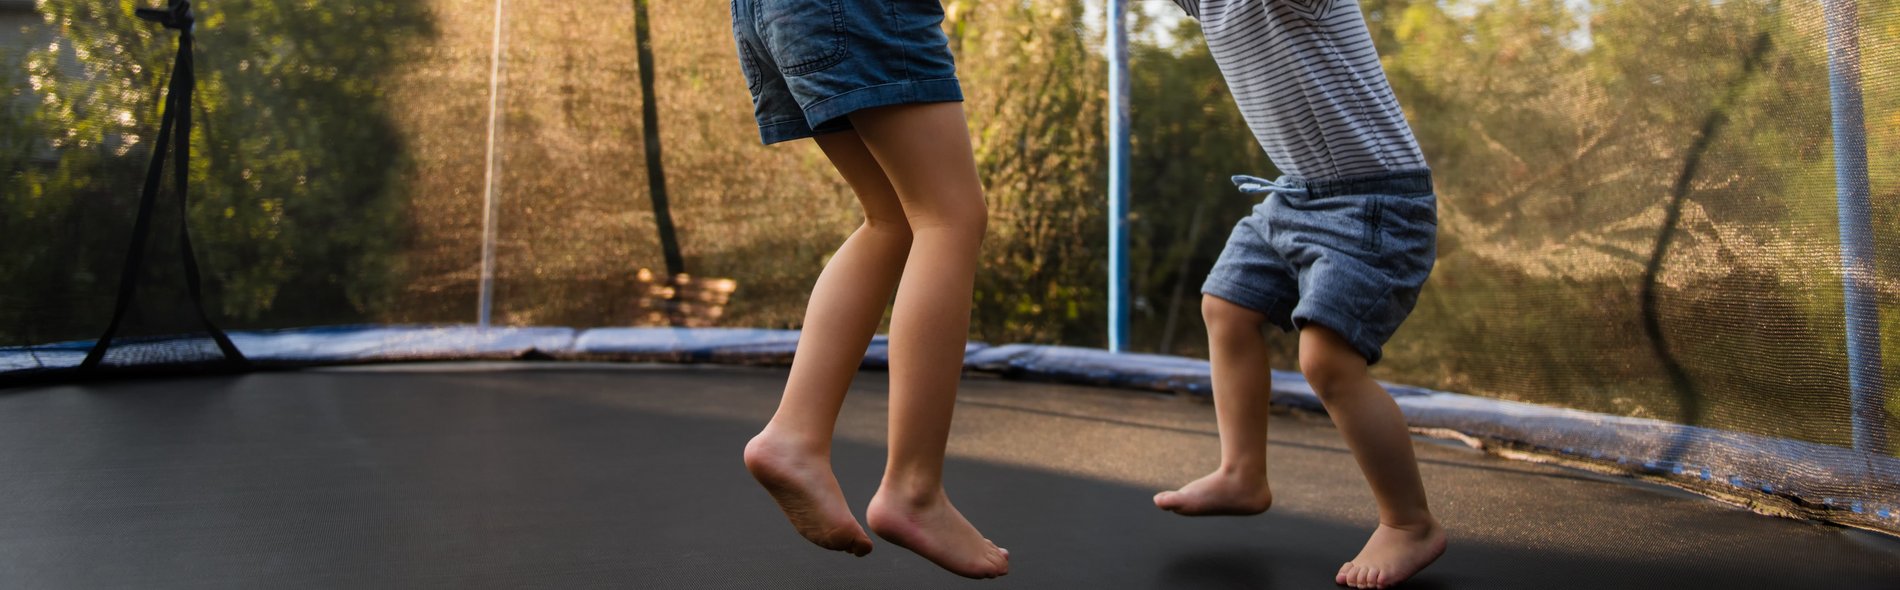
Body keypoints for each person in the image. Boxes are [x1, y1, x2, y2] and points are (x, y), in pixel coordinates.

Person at [1150, 1, 1447, 588]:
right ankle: (1241, 475)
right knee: (1226, 307)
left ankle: (1409, 522)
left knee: (1326, 360)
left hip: (1377, 205)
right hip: (1294, 197)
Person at [728, 0, 1009, 579]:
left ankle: (794, 437)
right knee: (949, 217)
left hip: (772, 14)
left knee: (893, 217)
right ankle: (914, 488)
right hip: (857, 10)